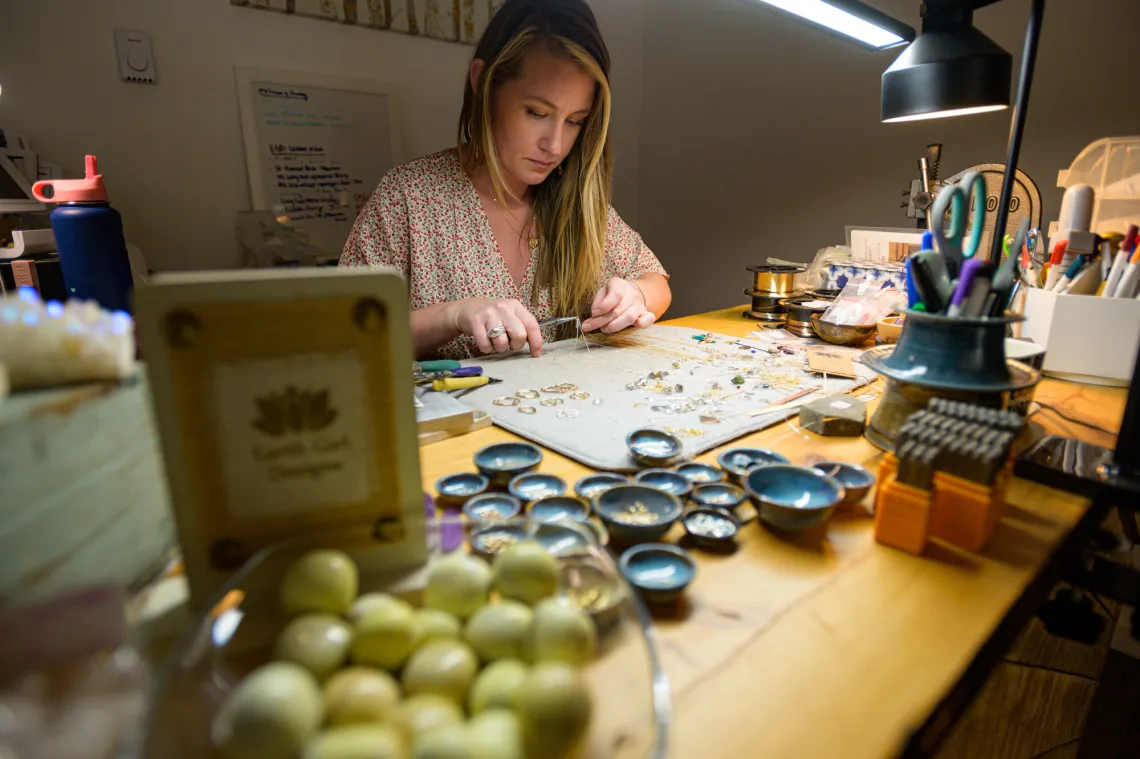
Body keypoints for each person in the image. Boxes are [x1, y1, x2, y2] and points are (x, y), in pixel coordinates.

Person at [339, 0, 670, 360]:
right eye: (537, 112)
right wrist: (455, 315)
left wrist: (635, 295)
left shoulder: (577, 203)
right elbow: (342, 334)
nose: (555, 145)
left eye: (574, 120)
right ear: (484, 82)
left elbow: (656, 282)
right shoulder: (408, 197)